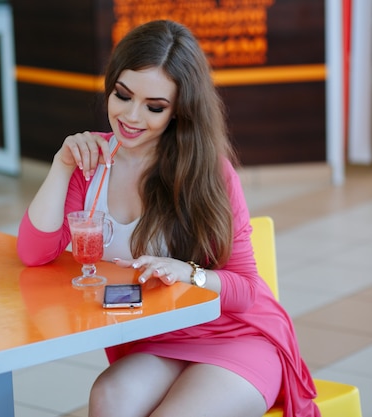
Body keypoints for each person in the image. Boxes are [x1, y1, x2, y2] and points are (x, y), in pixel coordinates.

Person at [17, 20, 319, 417]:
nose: (131, 116)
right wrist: (61, 164)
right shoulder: (90, 162)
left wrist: (185, 272)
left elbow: (245, 289)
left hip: (233, 334)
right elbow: (34, 252)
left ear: (180, 111)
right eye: (122, 96)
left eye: (154, 107)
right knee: (109, 398)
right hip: (156, 337)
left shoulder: (209, 172)